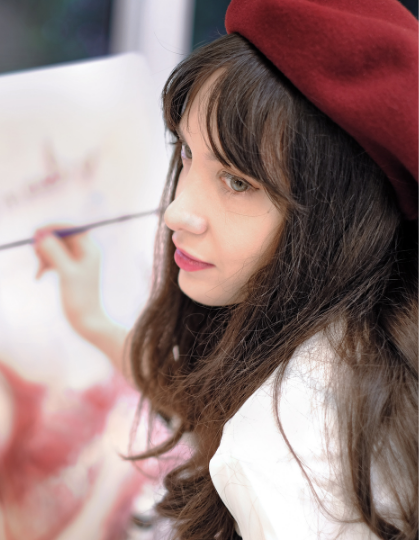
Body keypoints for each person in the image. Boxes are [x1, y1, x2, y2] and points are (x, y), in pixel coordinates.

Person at [34, 0, 418, 538]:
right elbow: (208, 402)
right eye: (187, 153)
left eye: (237, 182)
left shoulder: (286, 446)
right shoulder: (372, 344)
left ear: (339, 216)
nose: (176, 212)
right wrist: (95, 322)